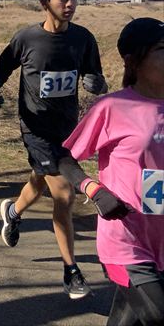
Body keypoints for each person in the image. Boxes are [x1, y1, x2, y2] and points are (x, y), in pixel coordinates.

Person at [0, 0, 108, 299]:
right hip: (35, 129)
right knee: (64, 194)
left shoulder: (83, 38)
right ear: (44, 2)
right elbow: (1, 70)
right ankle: (71, 271)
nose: (71, 4)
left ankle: (13, 212)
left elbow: (97, 78)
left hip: (68, 129)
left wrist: (96, 83)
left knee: (40, 180)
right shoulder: (27, 38)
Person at [59, 17, 164, 325]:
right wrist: (94, 190)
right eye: (162, 49)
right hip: (127, 239)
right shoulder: (113, 107)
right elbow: (64, 159)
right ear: (134, 60)